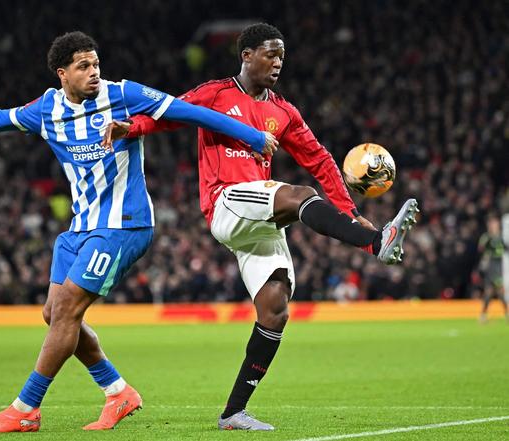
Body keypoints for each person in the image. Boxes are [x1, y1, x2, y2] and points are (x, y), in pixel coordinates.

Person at [0, 30, 278, 433]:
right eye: (83, 66)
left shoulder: (123, 94)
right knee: (54, 313)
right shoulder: (47, 109)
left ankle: (26, 408)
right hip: (80, 227)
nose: (94, 72)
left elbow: (190, 112)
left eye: (96, 64)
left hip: (124, 224)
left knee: (66, 310)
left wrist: (252, 135)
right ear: (62, 74)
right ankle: (117, 391)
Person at [103, 23, 419, 431]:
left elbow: (320, 159)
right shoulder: (216, 94)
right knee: (299, 195)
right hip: (225, 200)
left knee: (275, 308)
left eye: (282, 57)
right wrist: (133, 127)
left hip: (259, 214)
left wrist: (350, 210)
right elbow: (171, 113)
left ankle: (233, 413)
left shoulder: (283, 111)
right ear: (247, 55)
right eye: (270, 54)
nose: (277, 63)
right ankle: (376, 243)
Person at [477, 215, 507, 323]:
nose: (494, 225)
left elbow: (506, 249)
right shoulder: (487, 237)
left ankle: (484, 314)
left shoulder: (502, 236)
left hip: (500, 266)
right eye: (492, 223)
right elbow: (480, 248)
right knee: (491, 291)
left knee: (498, 291)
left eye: (495, 223)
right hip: (491, 266)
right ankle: (484, 314)